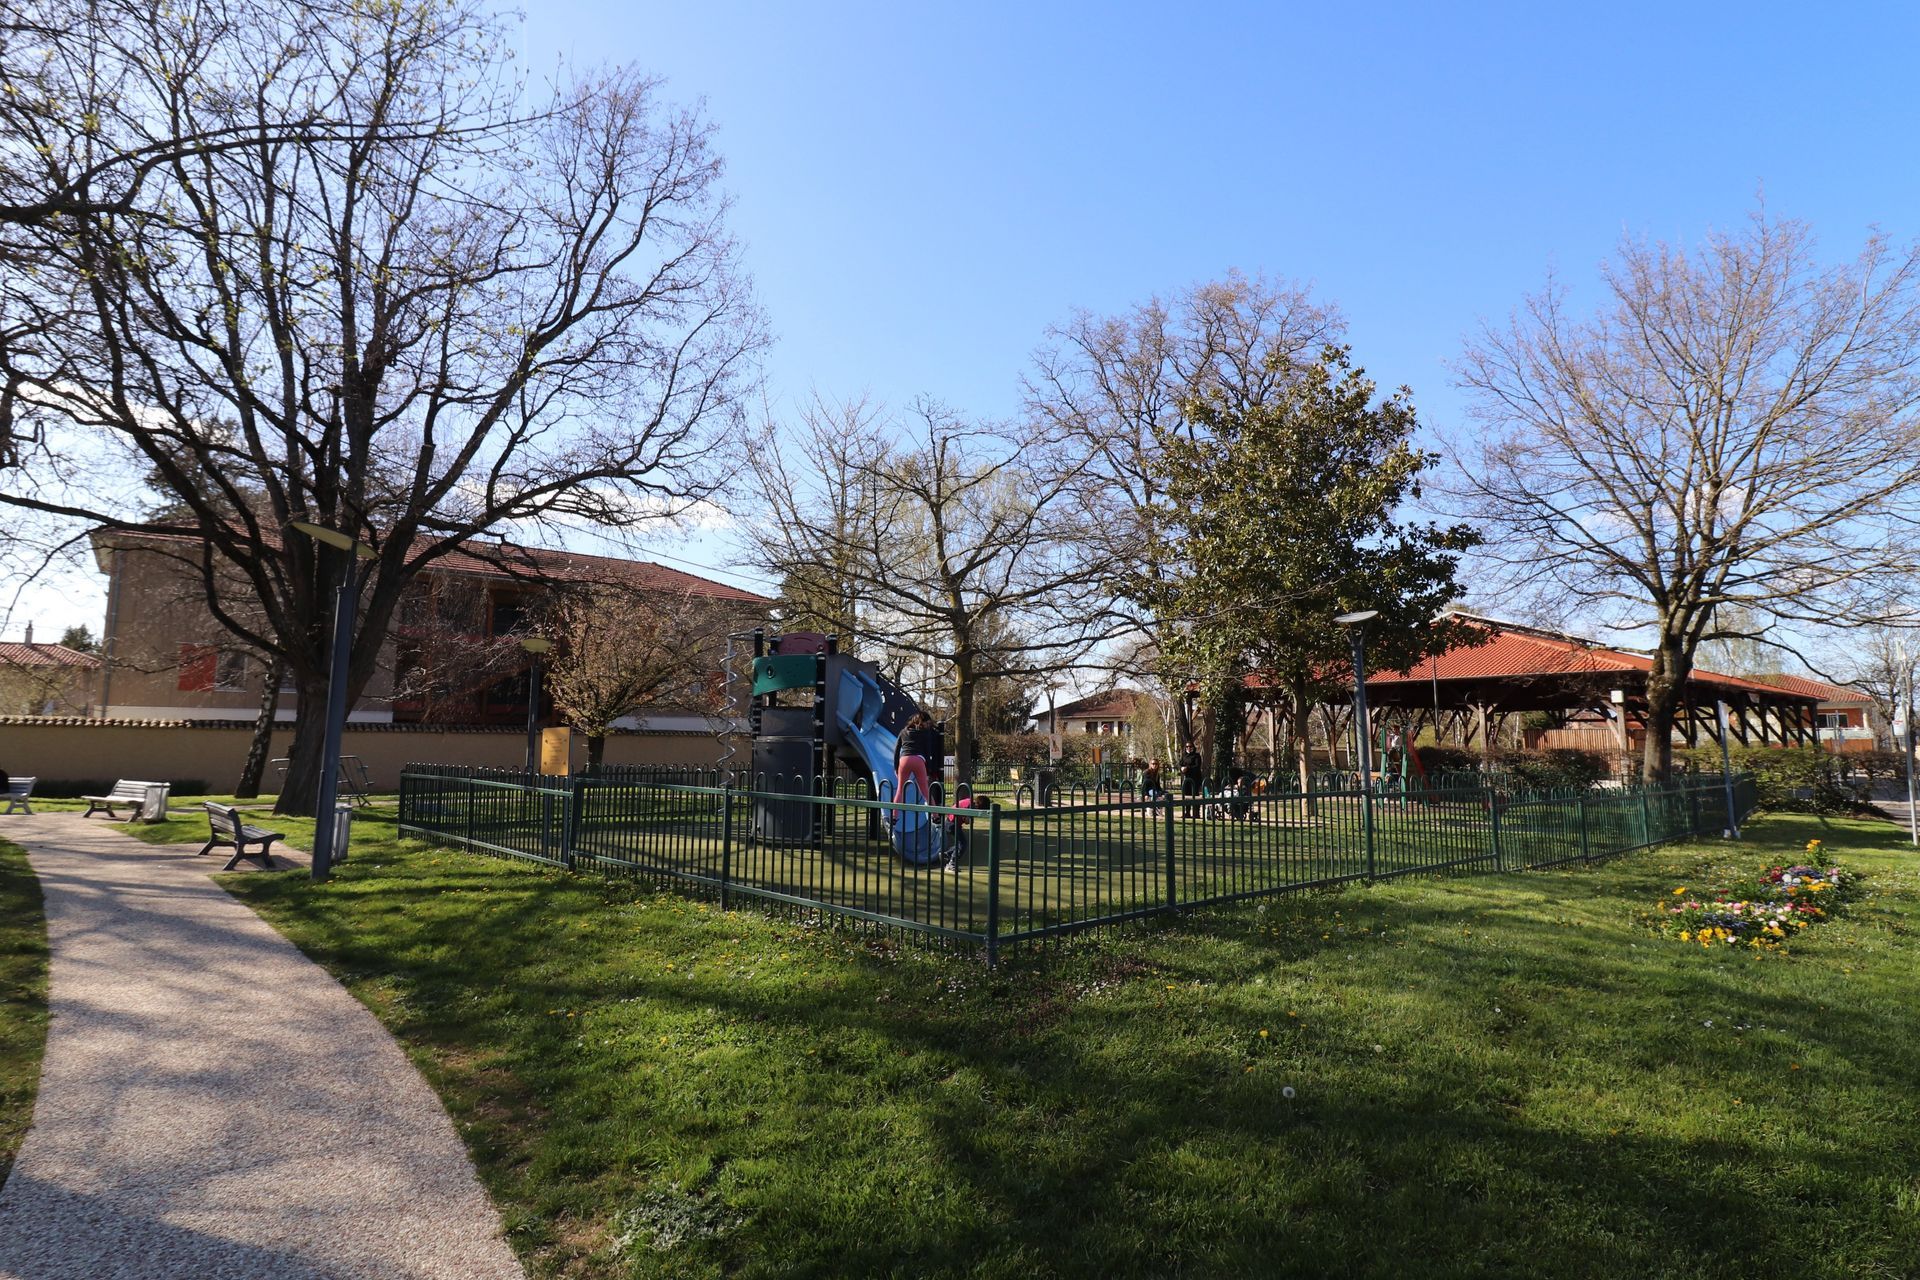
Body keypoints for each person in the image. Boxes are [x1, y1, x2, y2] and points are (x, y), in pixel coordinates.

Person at [894, 712, 937, 814]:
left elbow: (896, 751)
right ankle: (936, 817)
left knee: (900, 790)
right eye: (927, 723)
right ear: (922, 722)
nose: (928, 725)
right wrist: (928, 771)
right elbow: (928, 752)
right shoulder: (925, 733)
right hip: (918, 759)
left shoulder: (903, 732)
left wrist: (896, 767)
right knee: (925, 791)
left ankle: (894, 817)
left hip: (904, 759)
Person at [1178, 746, 1204, 819]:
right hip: (1186, 778)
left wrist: (1187, 768)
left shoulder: (1196, 756)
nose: (1188, 748)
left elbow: (1197, 766)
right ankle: (1187, 812)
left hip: (1195, 778)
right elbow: (1180, 764)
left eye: (1190, 746)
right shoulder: (1184, 756)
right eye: (1186, 747)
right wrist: (1181, 768)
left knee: (1195, 795)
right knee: (1186, 795)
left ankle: (1196, 813)